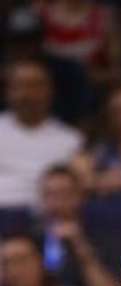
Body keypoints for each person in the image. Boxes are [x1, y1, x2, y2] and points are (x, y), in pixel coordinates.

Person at [0, 59, 83, 211]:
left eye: (35, 86)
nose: (28, 94)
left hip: (48, 220)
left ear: (50, 90)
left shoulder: (70, 138)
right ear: (8, 92)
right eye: (21, 86)